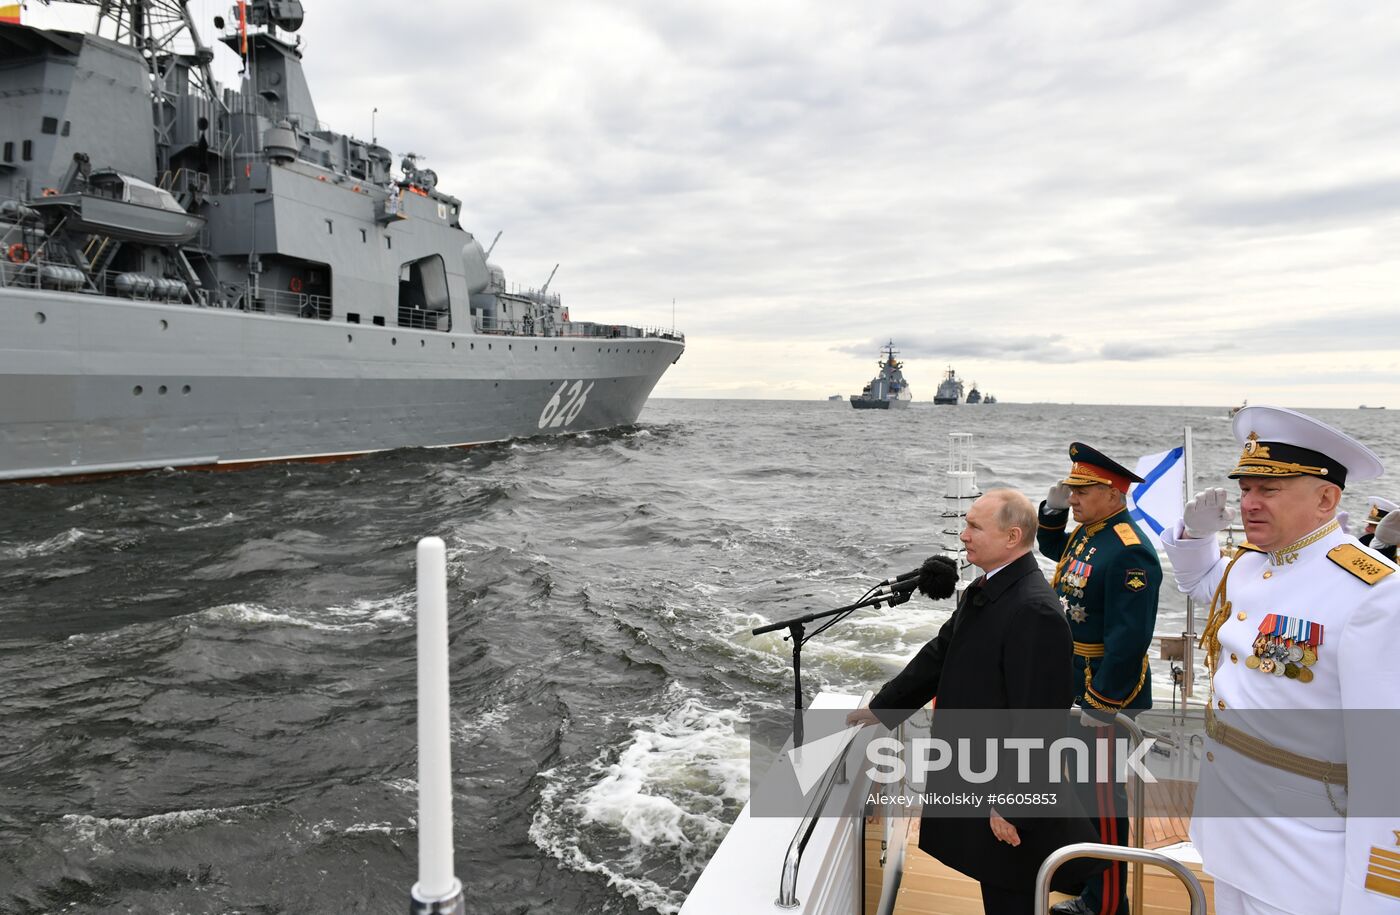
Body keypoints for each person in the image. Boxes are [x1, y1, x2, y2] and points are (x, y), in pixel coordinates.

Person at [1160, 405, 1400, 915]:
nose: (1248, 503)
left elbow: (1387, 765)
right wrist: (1195, 535)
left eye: (1268, 490)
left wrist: (1375, 896)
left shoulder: (1373, 594)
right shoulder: (1252, 566)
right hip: (1230, 831)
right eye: (1246, 489)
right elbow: (1203, 583)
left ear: (1326, 499)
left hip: (1307, 858)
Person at [846, 489, 1100, 915]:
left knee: (1013, 890)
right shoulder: (990, 588)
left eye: (974, 526)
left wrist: (1015, 805)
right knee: (997, 882)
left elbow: (1040, 719)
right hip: (981, 772)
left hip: (1009, 787)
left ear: (1012, 536)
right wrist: (883, 707)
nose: (963, 536)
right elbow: (940, 654)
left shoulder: (1033, 610)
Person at [1037, 443, 1161, 915]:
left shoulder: (1130, 552)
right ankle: (1091, 885)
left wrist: (1102, 701)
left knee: (1104, 805)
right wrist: (1048, 514)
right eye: (1071, 490)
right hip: (1075, 683)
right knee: (1082, 797)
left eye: (1081, 490)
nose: (1073, 499)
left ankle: (1108, 905)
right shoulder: (1092, 532)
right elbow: (1056, 549)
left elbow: (1129, 640)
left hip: (1104, 690)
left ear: (1112, 493)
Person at [1360, 496, 1399, 561]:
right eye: (1369, 525)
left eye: (1374, 526)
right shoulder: (1365, 541)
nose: (1367, 529)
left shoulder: (1395, 555)